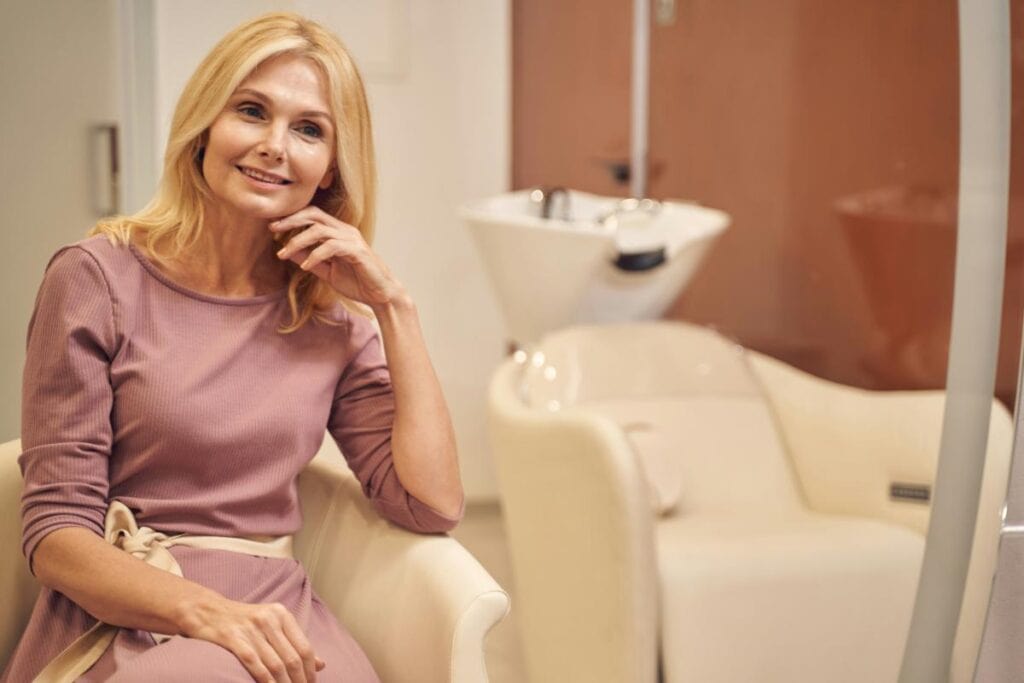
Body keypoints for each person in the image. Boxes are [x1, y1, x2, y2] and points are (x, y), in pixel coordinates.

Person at [1, 11, 464, 683]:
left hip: (279, 618)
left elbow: (430, 502)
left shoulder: (329, 319)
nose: (275, 145)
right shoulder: (96, 276)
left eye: (308, 129)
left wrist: (396, 308)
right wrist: (207, 614)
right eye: (252, 111)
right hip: (128, 613)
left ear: (332, 168)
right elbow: (56, 538)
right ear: (204, 127)